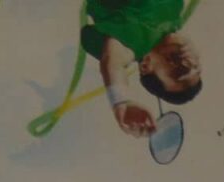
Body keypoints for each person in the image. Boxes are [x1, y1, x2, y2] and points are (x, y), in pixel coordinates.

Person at [82, 0, 202, 139]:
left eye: (179, 72)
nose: (186, 63)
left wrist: (121, 100)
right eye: (195, 67)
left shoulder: (136, 43)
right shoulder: (173, 18)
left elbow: (112, 62)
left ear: (145, 65)